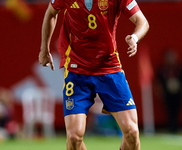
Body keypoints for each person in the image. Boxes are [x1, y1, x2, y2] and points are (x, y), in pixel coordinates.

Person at [39, 0, 149, 149]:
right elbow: (51, 13)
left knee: (132, 132)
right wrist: (44, 49)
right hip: (77, 71)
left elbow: (142, 21)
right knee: (74, 137)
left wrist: (134, 38)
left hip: (110, 69)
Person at [157, 49, 182, 133]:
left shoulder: (180, 68)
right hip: (167, 94)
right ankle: (170, 126)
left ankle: (176, 126)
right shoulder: (163, 69)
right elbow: (158, 82)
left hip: (178, 93)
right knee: (168, 110)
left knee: (177, 110)